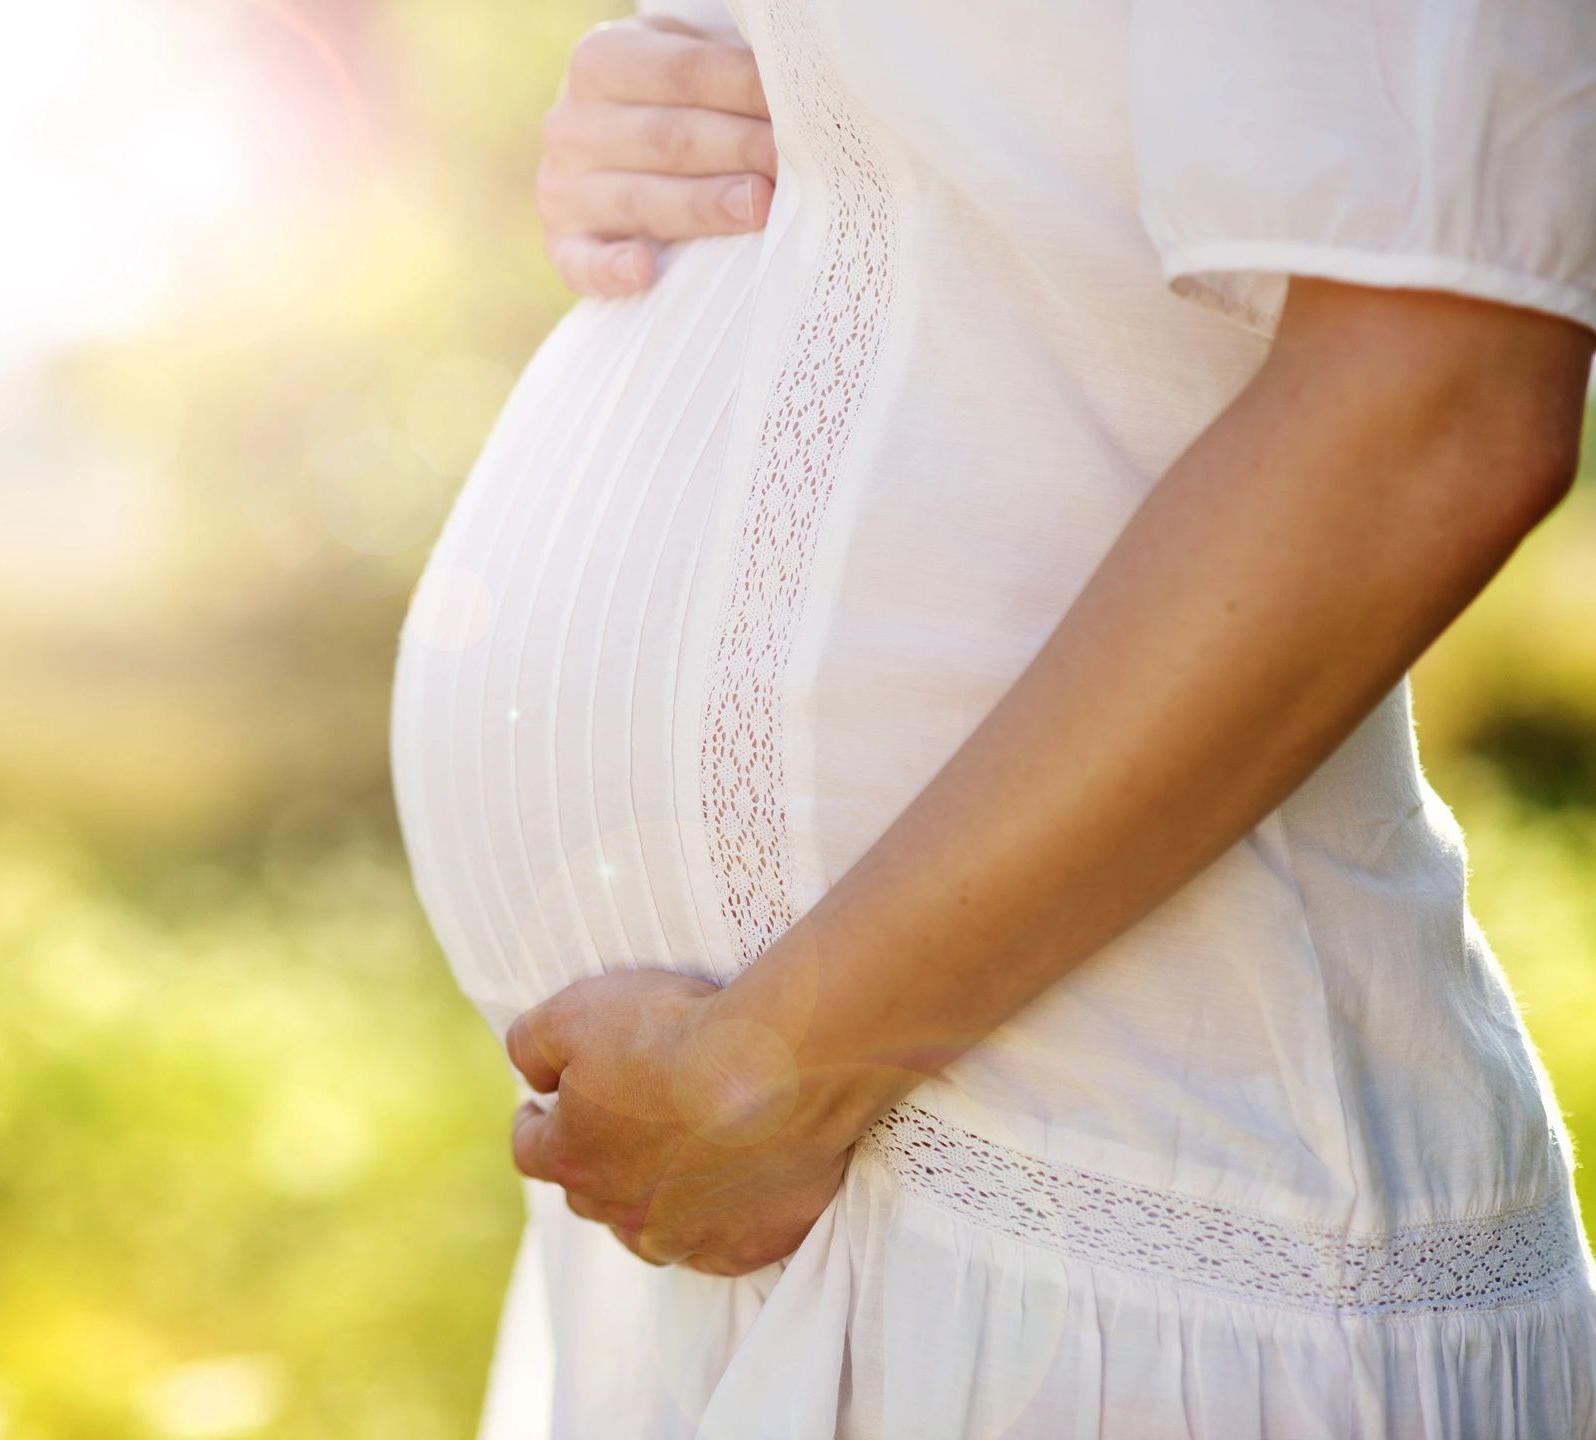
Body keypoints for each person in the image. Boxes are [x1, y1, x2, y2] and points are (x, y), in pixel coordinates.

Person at [387, 1, 1596, 1435]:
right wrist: (669, 115)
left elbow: (1435, 402)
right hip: (767, 1212)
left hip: (1111, 1247)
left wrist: (766, 1074)